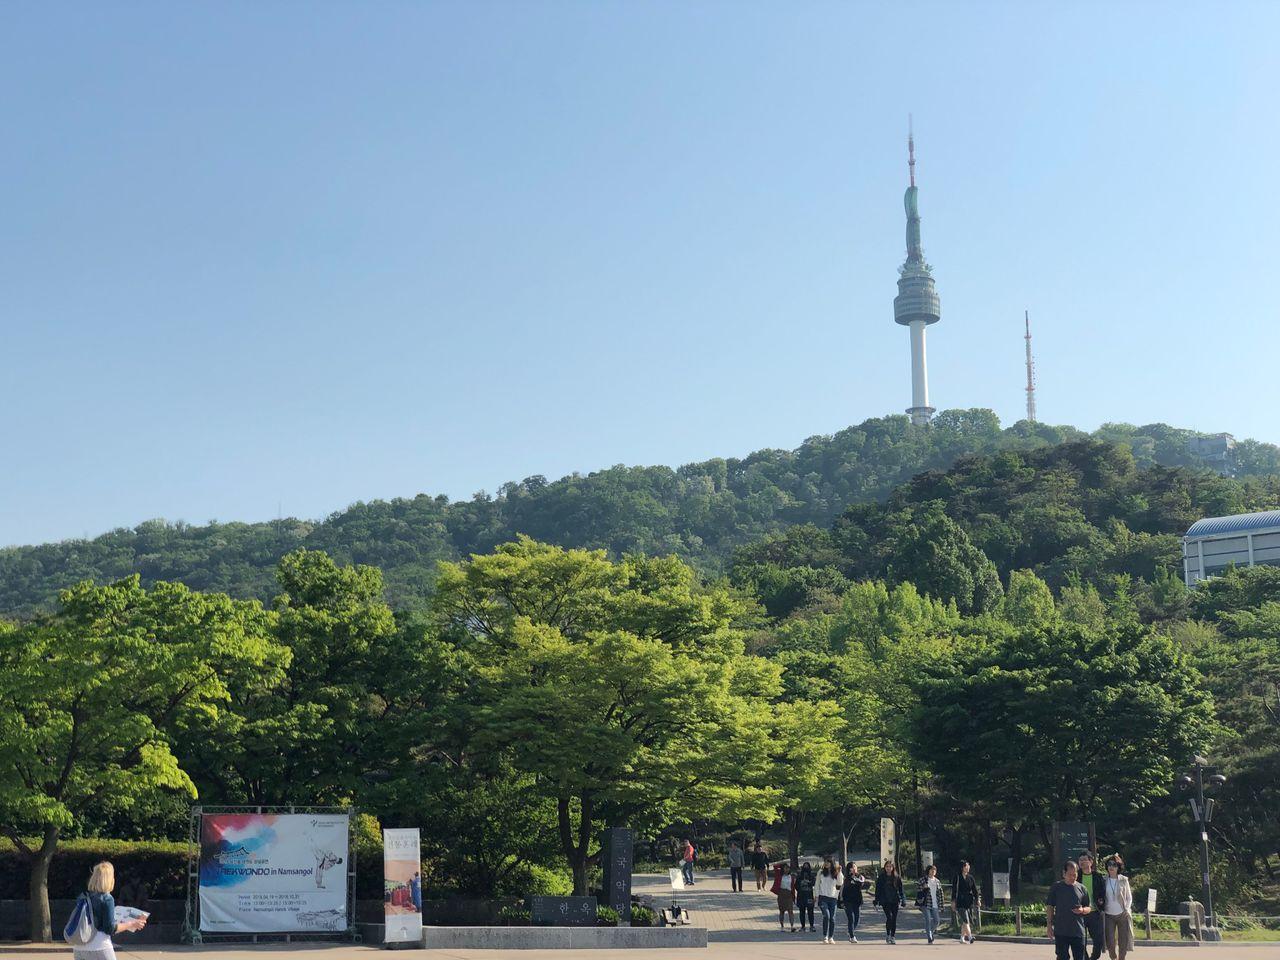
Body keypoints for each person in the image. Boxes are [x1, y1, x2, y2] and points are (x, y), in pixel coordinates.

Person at [76, 861, 147, 960]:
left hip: (79, 946)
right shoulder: (107, 899)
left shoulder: (83, 897)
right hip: (99, 945)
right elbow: (109, 928)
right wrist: (131, 924)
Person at [1046, 859, 1092, 960]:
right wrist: (1049, 925)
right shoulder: (1056, 887)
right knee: (1062, 957)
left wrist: (1082, 910)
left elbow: (1089, 907)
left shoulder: (1082, 888)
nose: (1073, 877)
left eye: (1075, 874)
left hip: (1078, 932)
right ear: (1064, 873)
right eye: (1070, 874)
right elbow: (1050, 906)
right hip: (1061, 931)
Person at [1100, 855, 1134, 960]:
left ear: (1118, 867)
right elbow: (1100, 895)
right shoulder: (1103, 880)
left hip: (1122, 914)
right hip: (1108, 914)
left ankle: (1121, 958)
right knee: (1110, 941)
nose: (1111, 867)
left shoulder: (1124, 880)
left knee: (1123, 941)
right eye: (1109, 864)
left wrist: (1127, 909)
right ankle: (1113, 957)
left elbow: (1129, 897)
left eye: (1114, 865)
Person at [1077, 853, 1106, 960]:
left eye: (1084, 860)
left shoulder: (1098, 877)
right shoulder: (1076, 876)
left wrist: (1102, 904)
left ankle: (1094, 957)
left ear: (1091, 862)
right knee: (1080, 941)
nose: (1081, 862)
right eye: (1080, 860)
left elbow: (1103, 893)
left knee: (1098, 941)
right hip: (1080, 913)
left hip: (1095, 913)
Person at [874, 860, 905, 944]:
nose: (888, 868)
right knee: (889, 917)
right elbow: (878, 889)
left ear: (893, 868)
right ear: (884, 867)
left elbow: (901, 889)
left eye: (890, 867)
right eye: (887, 866)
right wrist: (876, 900)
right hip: (885, 900)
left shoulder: (896, 877)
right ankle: (888, 934)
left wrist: (903, 899)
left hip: (895, 900)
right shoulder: (881, 877)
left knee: (894, 919)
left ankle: (893, 936)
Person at [841, 861, 871, 943]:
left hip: (857, 900)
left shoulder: (860, 877)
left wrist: (855, 878)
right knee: (851, 918)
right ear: (849, 869)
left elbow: (861, 884)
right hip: (847, 900)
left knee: (857, 919)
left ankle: (851, 930)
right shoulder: (846, 878)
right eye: (851, 867)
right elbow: (843, 889)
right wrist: (841, 900)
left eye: (854, 866)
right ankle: (852, 936)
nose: (853, 868)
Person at [952, 859, 981, 944]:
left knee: (966, 921)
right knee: (966, 920)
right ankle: (970, 937)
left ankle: (962, 938)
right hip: (960, 901)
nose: (968, 867)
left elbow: (975, 890)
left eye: (968, 865)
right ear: (962, 867)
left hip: (969, 901)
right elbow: (954, 890)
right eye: (966, 866)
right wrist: (953, 901)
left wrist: (977, 899)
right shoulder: (957, 877)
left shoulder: (971, 877)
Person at [816, 858, 843, 944]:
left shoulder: (836, 873)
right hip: (823, 897)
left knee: (832, 918)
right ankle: (825, 936)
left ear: (832, 863)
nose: (826, 863)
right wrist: (816, 896)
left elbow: (840, 883)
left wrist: (840, 872)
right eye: (825, 862)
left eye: (828, 862)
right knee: (826, 916)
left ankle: (831, 937)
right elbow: (817, 884)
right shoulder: (820, 872)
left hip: (833, 898)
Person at [917, 863, 944, 944]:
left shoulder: (937, 881)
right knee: (928, 920)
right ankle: (929, 936)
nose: (933, 871)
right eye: (932, 870)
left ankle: (931, 932)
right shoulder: (923, 880)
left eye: (934, 870)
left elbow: (940, 893)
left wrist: (942, 905)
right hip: (926, 903)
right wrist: (923, 887)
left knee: (937, 921)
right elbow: (918, 890)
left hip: (935, 903)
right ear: (928, 871)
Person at [795, 862, 816, 932]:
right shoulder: (799, 876)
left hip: (809, 895)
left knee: (810, 911)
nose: (806, 868)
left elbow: (814, 883)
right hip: (801, 895)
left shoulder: (811, 875)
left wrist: (808, 882)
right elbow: (796, 885)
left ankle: (812, 926)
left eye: (807, 866)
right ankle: (803, 926)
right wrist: (801, 886)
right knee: (802, 911)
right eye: (804, 866)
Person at [775, 863, 797, 932]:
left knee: (790, 911)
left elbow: (793, 887)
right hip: (781, 894)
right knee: (782, 911)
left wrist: (794, 896)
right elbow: (775, 867)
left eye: (788, 868)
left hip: (789, 895)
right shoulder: (779, 876)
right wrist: (782, 865)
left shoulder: (791, 877)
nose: (787, 869)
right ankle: (782, 926)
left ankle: (792, 926)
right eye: (785, 868)